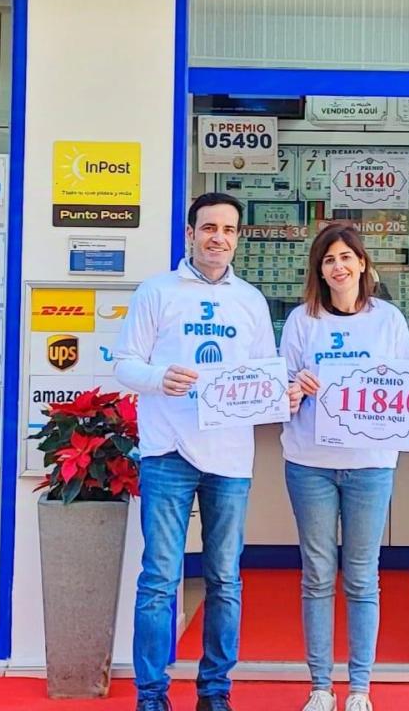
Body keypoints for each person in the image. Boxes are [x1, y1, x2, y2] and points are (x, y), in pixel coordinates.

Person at [280, 223, 409, 711]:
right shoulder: (302, 321)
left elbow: (405, 386)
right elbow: (282, 392)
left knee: (362, 576)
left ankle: (360, 688)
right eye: (328, 259)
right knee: (316, 574)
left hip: (371, 465)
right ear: (319, 269)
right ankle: (320, 686)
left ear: (362, 264)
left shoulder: (388, 320)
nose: (338, 266)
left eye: (346, 257)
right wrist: (295, 389)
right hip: (309, 462)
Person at [114, 192, 277, 711]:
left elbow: (265, 377)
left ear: (238, 238)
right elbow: (124, 364)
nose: (219, 239)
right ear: (190, 233)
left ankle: (215, 692)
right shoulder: (157, 292)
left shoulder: (250, 300)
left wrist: (286, 390)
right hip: (167, 452)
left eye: (229, 230)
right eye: (209, 228)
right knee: (161, 577)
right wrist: (161, 378)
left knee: (225, 579)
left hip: (229, 458)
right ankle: (152, 694)